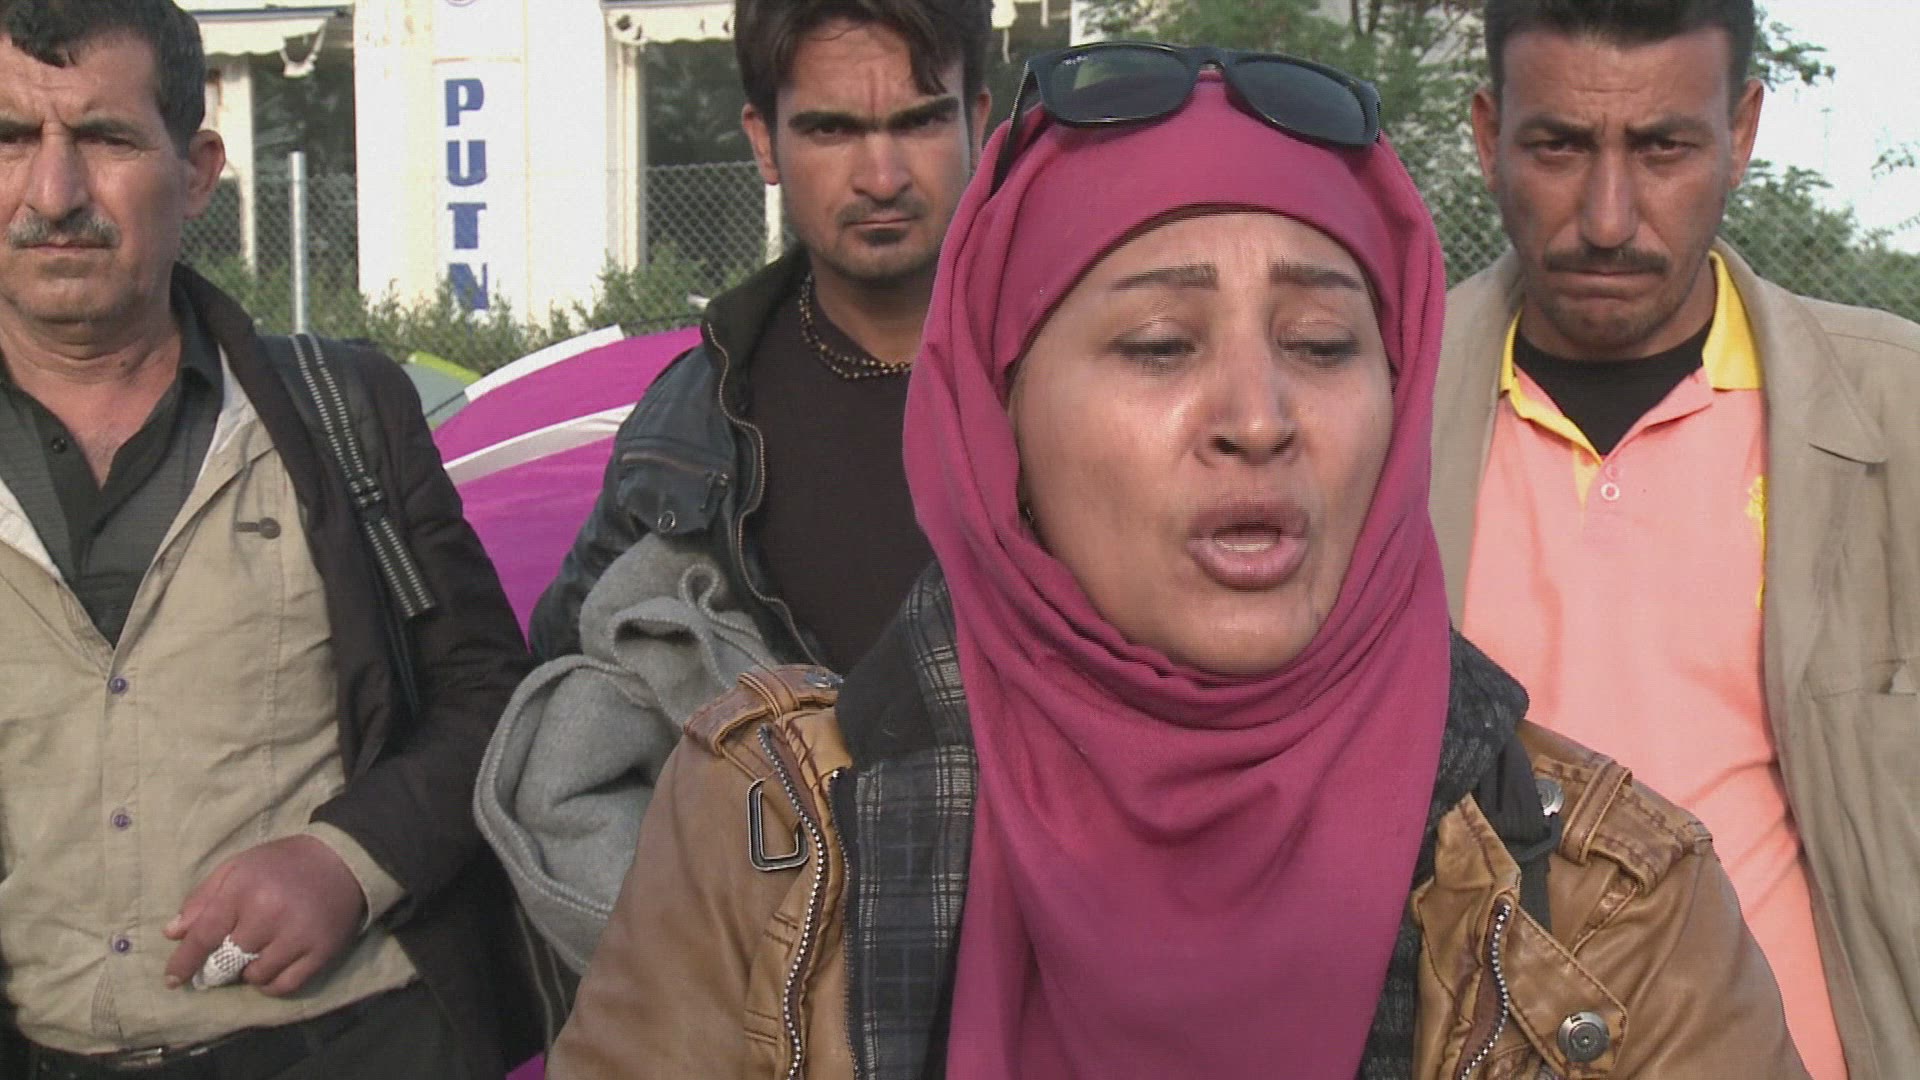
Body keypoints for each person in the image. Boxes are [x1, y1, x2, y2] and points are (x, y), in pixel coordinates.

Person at [546, 48, 1805, 1080]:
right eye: (1158, 344)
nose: (1257, 417)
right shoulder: (767, 831)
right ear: (1002, 420)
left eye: (1322, 342)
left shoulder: (1618, 904)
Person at [0, 2, 535, 1076]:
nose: (53, 193)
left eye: (105, 138)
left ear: (197, 171)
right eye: (10, 138)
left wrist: (353, 859)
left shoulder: (344, 415)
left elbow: (492, 695)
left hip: (356, 1044)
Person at [1432, 2, 1920, 1076]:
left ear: (1740, 133)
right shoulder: (1372, 412)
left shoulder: (1898, 417)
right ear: (1488, 134)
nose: (1608, 219)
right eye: (1559, 146)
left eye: (1662, 149)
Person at [527, 0, 993, 672]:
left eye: (919, 121)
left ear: (976, 123)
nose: (882, 178)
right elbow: (564, 673)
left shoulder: (1075, 383)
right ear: (765, 142)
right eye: (831, 129)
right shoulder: (688, 425)